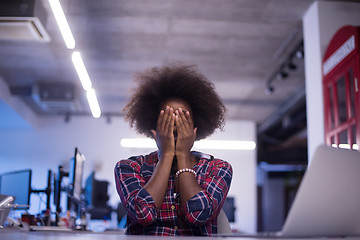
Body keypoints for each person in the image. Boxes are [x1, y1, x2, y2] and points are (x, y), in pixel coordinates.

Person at [114, 64, 233, 236]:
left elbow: (198, 215)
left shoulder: (218, 168)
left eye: (183, 117)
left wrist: (183, 155)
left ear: (196, 126)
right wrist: (167, 155)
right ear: (154, 124)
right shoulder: (129, 167)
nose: (176, 124)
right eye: (167, 117)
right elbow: (143, 214)